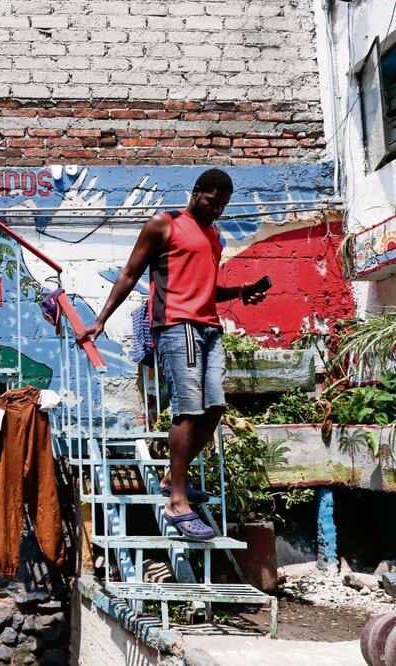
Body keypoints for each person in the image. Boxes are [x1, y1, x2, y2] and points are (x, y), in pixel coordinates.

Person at [78, 169, 267, 541]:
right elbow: (131, 273)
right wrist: (100, 321)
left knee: (214, 407)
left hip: (209, 327)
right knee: (188, 409)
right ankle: (177, 501)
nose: (217, 211)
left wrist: (242, 291)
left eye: (223, 206)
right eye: (213, 202)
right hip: (177, 326)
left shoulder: (213, 236)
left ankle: (170, 479)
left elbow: (206, 289)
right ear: (196, 193)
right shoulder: (164, 224)